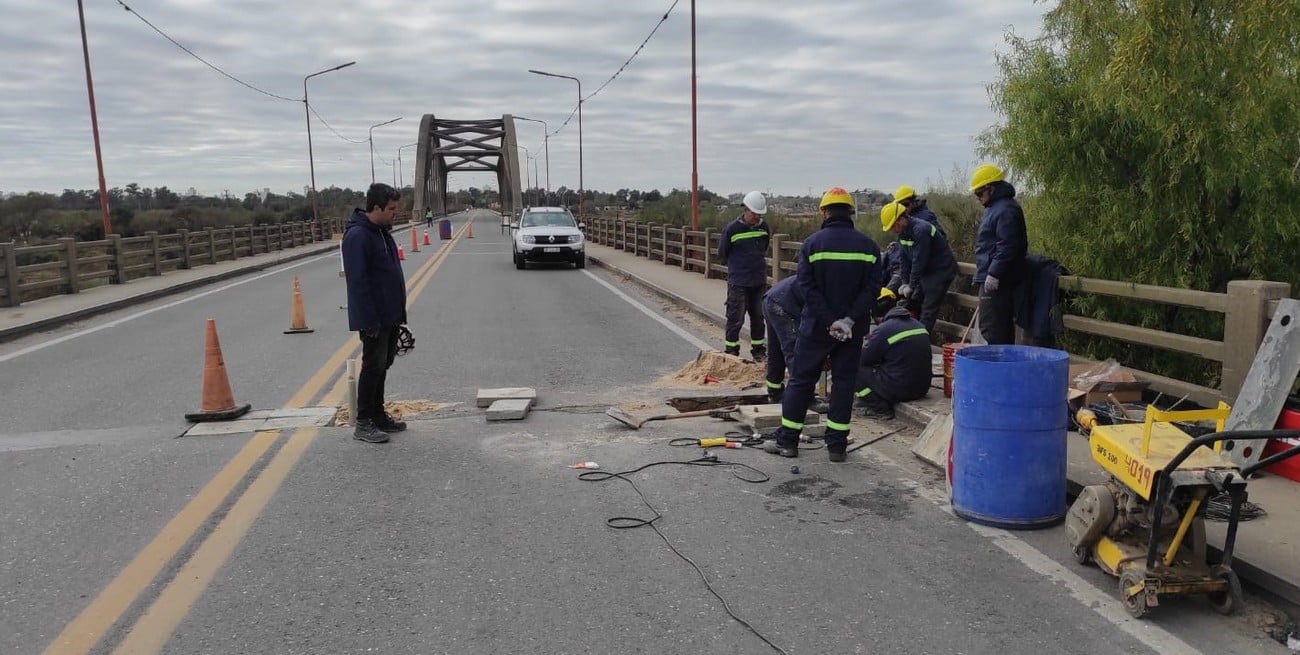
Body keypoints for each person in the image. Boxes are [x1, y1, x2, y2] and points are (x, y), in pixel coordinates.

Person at [766, 187, 881, 462]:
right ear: (850, 212)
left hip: (818, 326)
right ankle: (837, 447)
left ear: (824, 212)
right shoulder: (869, 247)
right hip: (852, 330)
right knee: (843, 384)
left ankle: (788, 442)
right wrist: (848, 320)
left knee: (801, 381)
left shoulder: (812, 245)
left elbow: (806, 287)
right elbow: (872, 289)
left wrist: (830, 321)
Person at [343, 183, 409, 443]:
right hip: (374, 317)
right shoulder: (359, 236)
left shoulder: (382, 232)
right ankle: (364, 422)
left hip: (389, 314)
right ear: (377, 207)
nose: (396, 212)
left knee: (383, 365)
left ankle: (378, 415)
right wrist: (368, 319)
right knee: (372, 366)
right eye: (392, 208)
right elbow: (358, 283)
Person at [970, 164, 1028, 345]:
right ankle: (999, 366)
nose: (978, 198)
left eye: (980, 193)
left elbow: (1008, 245)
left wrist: (994, 273)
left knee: (993, 330)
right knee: (995, 328)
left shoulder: (1005, 210)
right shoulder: (996, 208)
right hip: (992, 277)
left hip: (998, 281)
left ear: (991, 189)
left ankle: (995, 367)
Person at [880, 201, 957, 334]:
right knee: (913, 302)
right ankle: (911, 337)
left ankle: (921, 343)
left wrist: (911, 284)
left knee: (928, 308)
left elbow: (919, 261)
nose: (892, 230)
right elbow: (904, 260)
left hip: (940, 271)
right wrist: (904, 283)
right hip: (926, 271)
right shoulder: (903, 233)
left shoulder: (920, 230)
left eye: (893, 226)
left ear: (901, 219)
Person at [854, 290, 932, 420]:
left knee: (853, 367)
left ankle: (879, 408)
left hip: (900, 389)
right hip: (922, 388)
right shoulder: (918, 325)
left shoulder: (884, 329)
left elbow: (864, 359)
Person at [717, 191, 771, 360]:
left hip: (758, 281)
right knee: (735, 318)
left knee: (758, 318)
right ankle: (732, 351)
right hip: (738, 282)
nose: (756, 217)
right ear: (745, 210)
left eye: (759, 214)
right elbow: (722, 253)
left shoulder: (764, 228)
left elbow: (765, 247)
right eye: (754, 213)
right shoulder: (731, 229)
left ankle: (758, 350)